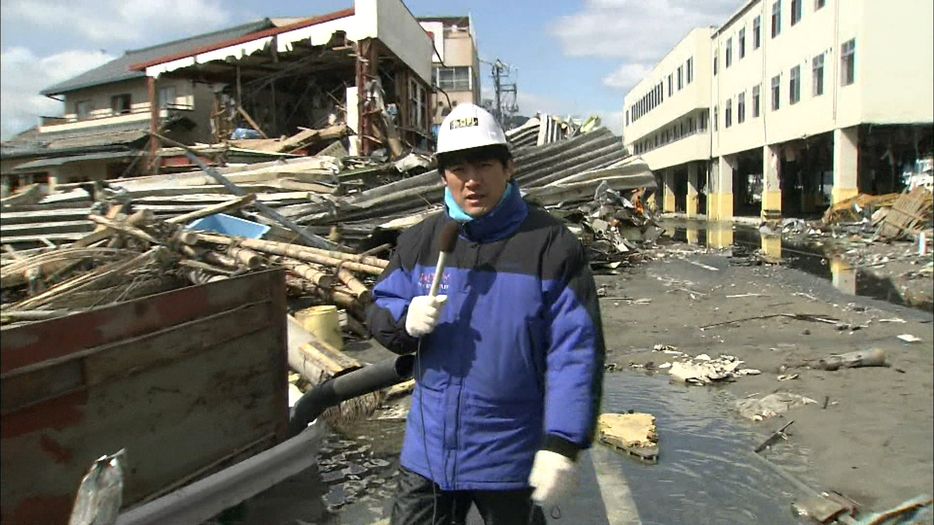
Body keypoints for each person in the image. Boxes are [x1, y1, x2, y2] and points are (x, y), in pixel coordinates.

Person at [367, 103, 606, 525]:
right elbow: (378, 307)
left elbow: (576, 352)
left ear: (509, 167)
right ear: (443, 176)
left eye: (484, 165)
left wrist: (563, 442)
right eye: (458, 169)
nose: (472, 180)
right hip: (429, 455)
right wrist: (404, 320)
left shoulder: (550, 245)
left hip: (510, 457)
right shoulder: (422, 241)